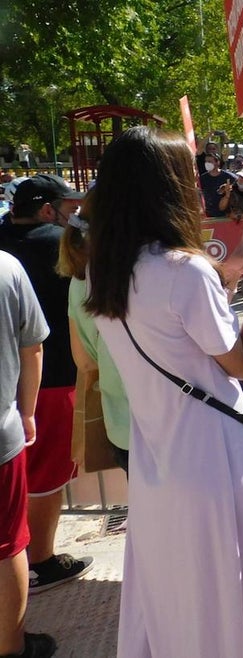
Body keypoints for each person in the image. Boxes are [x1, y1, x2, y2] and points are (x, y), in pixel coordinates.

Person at [84, 125, 243, 657]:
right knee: (241, 598)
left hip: (158, 463)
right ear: (169, 188)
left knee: (180, 604)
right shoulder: (184, 271)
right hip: (216, 459)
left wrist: (226, 275)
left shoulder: (103, 271)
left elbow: (173, 329)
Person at [0, 175, 92, 596]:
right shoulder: (60, 242)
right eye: (66, 206)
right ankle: (39, 561)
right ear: (46, 209)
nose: (72, 213)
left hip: (9, 381)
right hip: (50, 380)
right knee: (46, 478)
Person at [0, 251, 56, 658]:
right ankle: (11, 648)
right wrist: (28, 411)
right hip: (2, 435)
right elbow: (32, 347)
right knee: (6, 545)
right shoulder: (7, 266)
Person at [57, 202, 131, 473]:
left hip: (123, 427)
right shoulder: (160, 271)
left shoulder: (80, 281)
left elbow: (85, 361)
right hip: (182, 425)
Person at [198, 152, 236, 217]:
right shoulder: (202, 178)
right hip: (209, 214)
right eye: (206, 161)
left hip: (225, 214)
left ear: (217, 162)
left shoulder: (229, 177)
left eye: (209, 161)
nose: (207, 163)